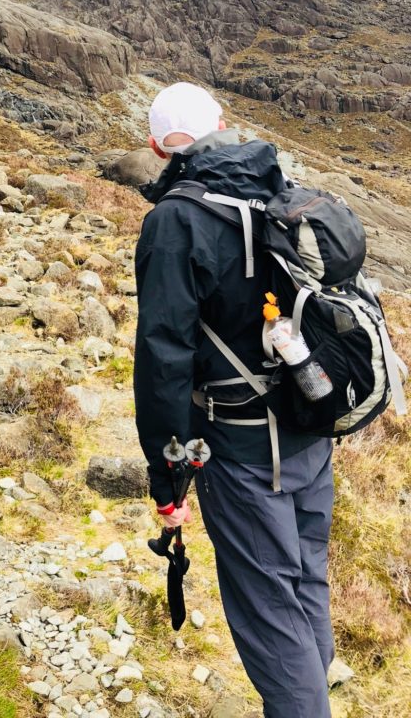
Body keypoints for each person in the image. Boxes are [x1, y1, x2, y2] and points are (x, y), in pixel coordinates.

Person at [133, 82, 334, 718]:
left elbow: (165, 364)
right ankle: (310, 694)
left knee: (269, 615)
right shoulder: (276, 187)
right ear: (222, 123)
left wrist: (168, 480)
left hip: (246, 455)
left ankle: (303, 705)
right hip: (310, 427)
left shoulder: (175, 221)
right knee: (306, 585)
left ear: (156, 146)